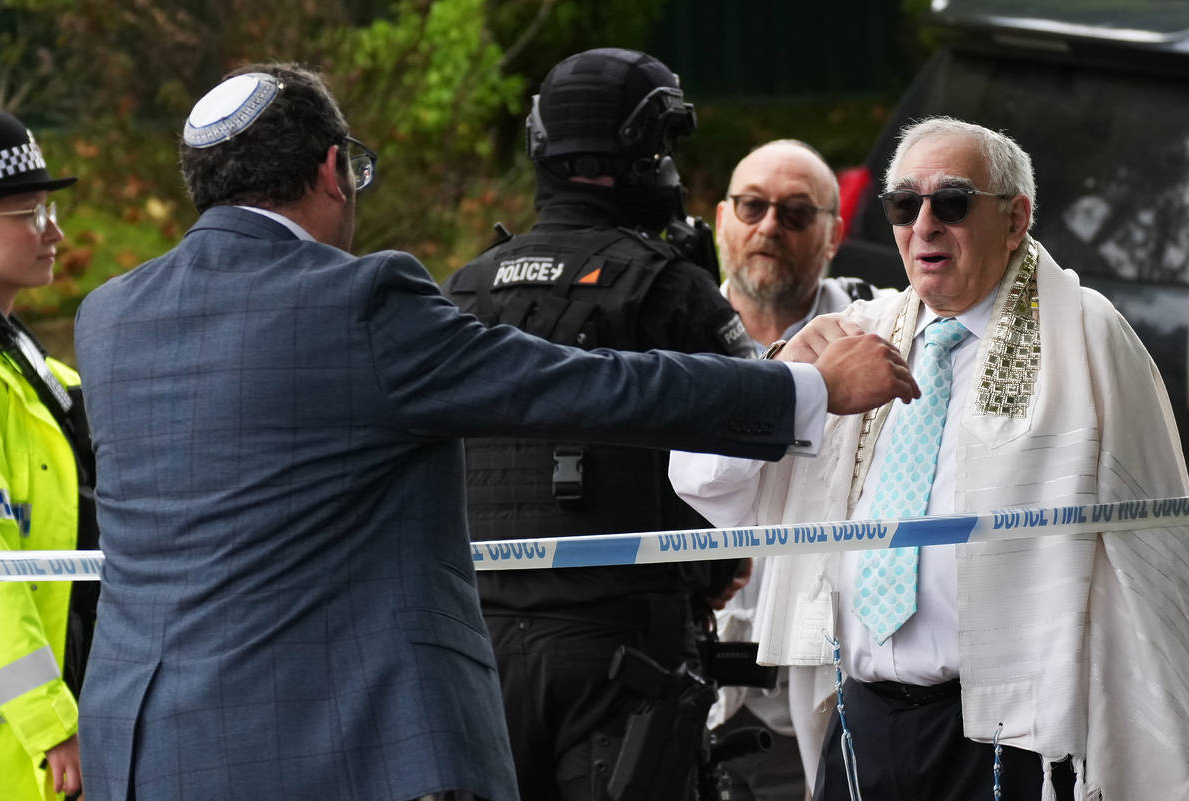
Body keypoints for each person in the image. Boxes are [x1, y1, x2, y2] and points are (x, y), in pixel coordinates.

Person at [71, 63, 918, 801]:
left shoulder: (109, 317)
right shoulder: (360, 302)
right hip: (332, 746)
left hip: (144, 747)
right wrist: (804, 389)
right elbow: (585, 386)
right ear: (334, 171)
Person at [671, 117, 1189, 801]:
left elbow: (1157, 554)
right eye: (902, 205)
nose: (924, 224)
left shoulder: (1083, 333)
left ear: (1015, 219)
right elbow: (702, 477)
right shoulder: (859, 333)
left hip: (1014, 732)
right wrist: (794, 378)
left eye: (951, 202)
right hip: (868, 718)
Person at [441, 47, 765, 801]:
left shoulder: (460, 290)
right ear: (649, 149)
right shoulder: (669, 289)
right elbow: (746, 447)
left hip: (477, 651)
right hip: (621, 653)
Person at [699, 139, 892, 801]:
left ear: (835, 234)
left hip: (837, 671)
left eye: (795, 212)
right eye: (752, 206)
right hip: (697, 678)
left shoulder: (882, 331)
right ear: (723, 218)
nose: (769, 226)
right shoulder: (674, 333)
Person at [0, 110, 97, 801]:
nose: (54, 231)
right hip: (22, 753)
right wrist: (51, 722)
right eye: (31, 212)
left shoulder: (46, 379)